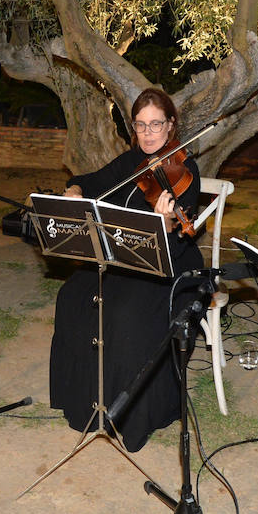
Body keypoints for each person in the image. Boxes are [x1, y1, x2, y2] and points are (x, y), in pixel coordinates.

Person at [49, 88, 204, 452]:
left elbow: (180, 237)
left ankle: (133, 415)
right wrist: (74, 189)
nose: (149, 133)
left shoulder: (186, 171)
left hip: (168, 265)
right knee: (72, 295)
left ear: (171, 125)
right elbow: (90, 180)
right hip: (124, 257)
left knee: (126, 313)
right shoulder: (131, 161)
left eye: (156, 124)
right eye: (141, 125)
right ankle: (88, 405)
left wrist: (164, 223)